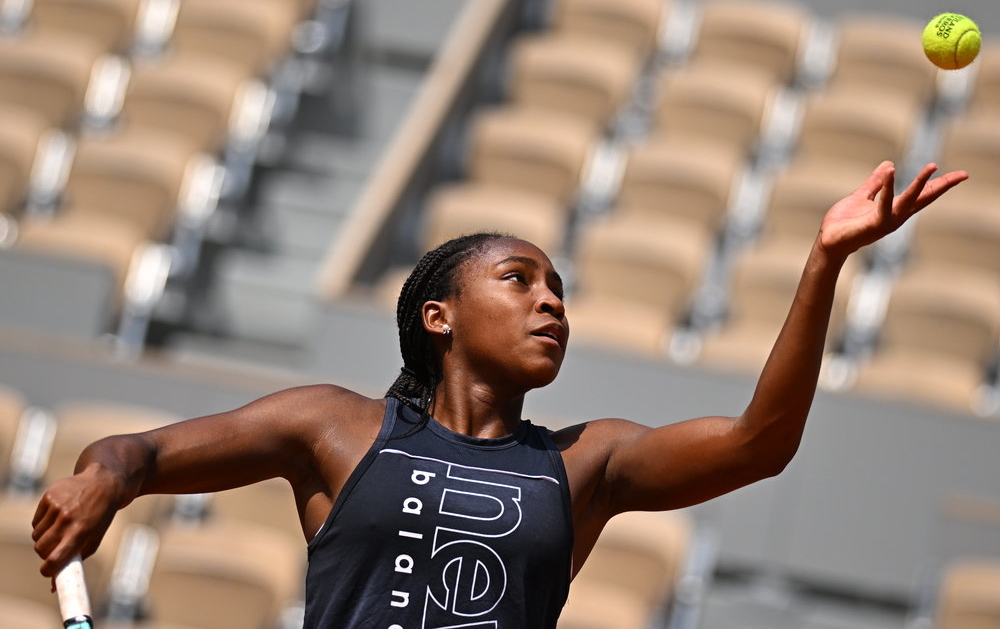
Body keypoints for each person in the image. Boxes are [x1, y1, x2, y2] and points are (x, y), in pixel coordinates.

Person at [32, 161, 965, 627]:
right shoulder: (333, 426)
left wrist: (825, 261)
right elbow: (136, 455)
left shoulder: (586, 463)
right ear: (439, 316)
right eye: (520, 280)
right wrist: (100, 481)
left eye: (559, 289)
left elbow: (760, 443)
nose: (551, 301)